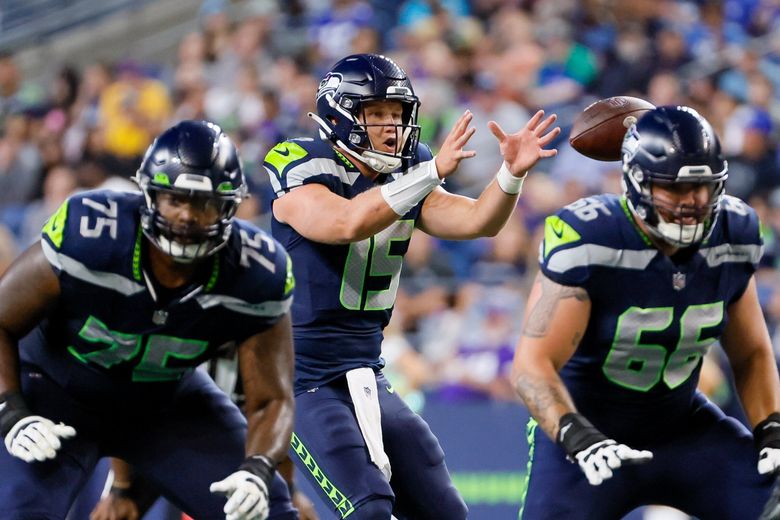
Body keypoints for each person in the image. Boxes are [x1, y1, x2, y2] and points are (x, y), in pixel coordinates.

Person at [262, 53, 559, 519]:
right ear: (341, 114)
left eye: (397, 113)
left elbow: (477, 220)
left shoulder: (410, 169)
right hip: (300, 378)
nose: (390, 125)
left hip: (366, 369)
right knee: (370, 509)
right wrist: (431, 173)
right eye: (376, 112)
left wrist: (510, 175)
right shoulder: (299, 161)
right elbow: (345, 222)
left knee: (444, 511)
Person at [0, 120, 299, 520]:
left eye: (205, 203)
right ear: (149, 195)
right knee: (17, 512)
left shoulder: (256, 273)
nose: (188, 217)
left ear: (230, 207)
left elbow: (272, 398)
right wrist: (10, 410)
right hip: (58, 393)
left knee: (268, 511)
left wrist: (258, 469)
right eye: (176, 199)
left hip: (165, 405)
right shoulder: (89, 235)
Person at [511, 105, 780, 519]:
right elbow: (532, 365)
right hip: (589, 435)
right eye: (674, 188)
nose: (691, 203)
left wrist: (772, 428)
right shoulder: (592, 237)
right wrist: (576, 435)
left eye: (702, 188)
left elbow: (752, 353)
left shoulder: (733, 234)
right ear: (636, 183)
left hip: (684, 429)